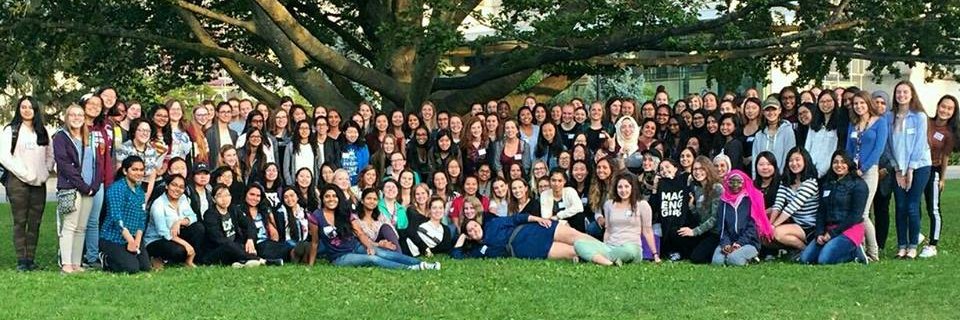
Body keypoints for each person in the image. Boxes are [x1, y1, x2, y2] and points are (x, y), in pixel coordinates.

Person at [306, 185, 440, 270]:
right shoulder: (316, 216)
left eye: (334, 196)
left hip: (356, 246)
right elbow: (315, 243)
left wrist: (369, 246)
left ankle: (422, 264)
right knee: (372, 259)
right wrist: (310, 266)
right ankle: (409, 268)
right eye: (327, 196)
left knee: (383, 253)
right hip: (340, 257)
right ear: (322, 199)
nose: (331, 199)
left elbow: (359, 233)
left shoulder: (344, 212)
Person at [0, 96, 54, 271]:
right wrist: (24, 174)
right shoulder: (11, 130)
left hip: (39, 183)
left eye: (30, 107)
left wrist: (45, 172)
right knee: (20, 221)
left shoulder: (43, 131)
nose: (27, 110)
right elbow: (4, 157)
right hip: (18, 182)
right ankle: (22, 260)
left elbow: (50, 155)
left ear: (36, 110)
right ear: (18, 109)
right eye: (23, 107)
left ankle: (31, 258)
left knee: (35, 222)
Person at [452, 212, 617, 266]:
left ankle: (613, 251)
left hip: (532, 230)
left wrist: (538, 219)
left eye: (475, 226)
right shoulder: (477, 251)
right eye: (470, 231)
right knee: (573, 251)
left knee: (576, 235)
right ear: (469, 236)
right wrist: (462, 237)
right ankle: (610, 261)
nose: (474, 230)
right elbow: (457, 256)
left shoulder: (493, 224)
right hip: (527, 248)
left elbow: (517, 218)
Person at [800, 151, 868, 265]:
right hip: (829, 229)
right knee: (805, 259)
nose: (839, 165)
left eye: (843, 162)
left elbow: (855, 216)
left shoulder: (859, 185)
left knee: (824, 260)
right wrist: (819, 233)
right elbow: (821, 211)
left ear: (849, 164)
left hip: (849, 230)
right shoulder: (828, 184)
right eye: (835, 162)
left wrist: (832, 233)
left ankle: (855, 253)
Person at [889, 81, 932, 259]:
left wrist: (910, 170)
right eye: (898, 92)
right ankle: (902, 246)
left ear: (912, 94)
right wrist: (897, 169)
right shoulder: (889, 117)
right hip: (898, 168)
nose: (901, 95)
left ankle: (913, 246)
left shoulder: (919, 116)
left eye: (905, 92)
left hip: (919, 166)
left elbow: (920, 144)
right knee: (900, 206)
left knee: (912, 206)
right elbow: (888, 145)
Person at [54, 104, 98, 273]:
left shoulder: (89, 138)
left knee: (81, 227)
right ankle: (66, 264)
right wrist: (83, 186)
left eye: (80, 115)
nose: (76, 118)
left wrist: (94, 185)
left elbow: (96, 163)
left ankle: (76, 263)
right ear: (67, 117)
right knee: (70, 225)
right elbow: (64, 164)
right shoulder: (61, 137)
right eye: (72, 115)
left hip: (89, 188)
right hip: (71, 188)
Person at [846, 91, 888, 261]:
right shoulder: (853, 124)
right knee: (854, 211)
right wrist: (849, 168)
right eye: (856, 104)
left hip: (869, 171)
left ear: (868, 103)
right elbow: (848, 148)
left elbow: (878, 149)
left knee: (862, 213)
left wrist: (863, 168)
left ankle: (873, 252)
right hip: (853, 172)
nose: (859, 106)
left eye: (862, 103)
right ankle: (860, 248)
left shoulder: (880, 122)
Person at [920, 94, 958, 258]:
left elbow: (945, 157)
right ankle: (916, 234)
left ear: (953, 112)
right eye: (943, 106)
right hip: (918, 167)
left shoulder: (949, 133)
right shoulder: (926, 122)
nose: (945, 110)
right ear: (937, 106)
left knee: (933, 208)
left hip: (933, 171)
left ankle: (932, 245)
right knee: (911, 204)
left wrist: (942, 179)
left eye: (950, 109)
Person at [100, 156, 151, 274]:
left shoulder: (140, 191)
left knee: (145, 267)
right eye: (134, 169)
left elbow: (142, 217)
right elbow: (116, 217)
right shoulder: (116, 188)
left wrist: (137, 240)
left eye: (141, 170)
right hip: (113, 237)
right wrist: (130, 240)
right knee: (132, 268)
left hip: (133, 236)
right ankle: (105, 259)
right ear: (125, 171)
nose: (139, 173)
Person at [713, 170, 773, 266]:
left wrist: (740, 243)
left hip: (749, 242)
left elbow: (753, 227)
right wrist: (726, 244)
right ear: (727, 183)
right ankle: (732, 255)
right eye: (731, 182)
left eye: (739, 182)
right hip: (729, 241)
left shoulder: (751, 199)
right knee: (717, 262)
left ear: (744, 183)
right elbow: (722, 227)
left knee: (734, 260)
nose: (735, 185)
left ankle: (752, 257)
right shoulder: (723, 201)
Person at [145, 174, 205, 268]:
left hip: (176, 235)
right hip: (157, 240)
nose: (177, 189)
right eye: (174, 185)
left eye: (181, 187)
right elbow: (163, 232)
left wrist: (180, 222)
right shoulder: (158, 204)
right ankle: (156, 257)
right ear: (167, 186)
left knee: (198, 228)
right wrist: (186, 244)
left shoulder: (183, 198)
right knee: (179, 251)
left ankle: (189, 260)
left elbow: (193, 216)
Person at [767, 147, 819, 252]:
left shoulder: (811, 182)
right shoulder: (786, 180)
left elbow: (791, 208)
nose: (794, 163)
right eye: (791, 160)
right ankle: (788, 250)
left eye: (797, 160)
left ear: (805, 161)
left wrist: (773, 226)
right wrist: (768, 225)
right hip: (794, 222)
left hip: (809, 226)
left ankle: (804, 250)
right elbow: (778, 204)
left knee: (776, 233)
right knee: (763, 228)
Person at [601, 173, 658, 263]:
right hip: (612, 245)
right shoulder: (608, 204)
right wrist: (604, 246)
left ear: (632, 188)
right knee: (583, 243)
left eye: (626, 186)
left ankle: (602, 258)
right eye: (620, 187)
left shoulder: (642, 205)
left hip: (632, 246)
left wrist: (655, 254)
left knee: (628, 251)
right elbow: (608, 230)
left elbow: (647, 231)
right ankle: (611, 258)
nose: (623, 190)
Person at [682, 157, 724, 264]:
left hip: (716, 233)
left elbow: (715, 219)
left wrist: (694, 232)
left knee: (696, 258)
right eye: (695, 169)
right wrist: (692, 207)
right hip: (703, 230)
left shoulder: (717, 188)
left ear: (708, 169)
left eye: (701, 168)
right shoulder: (697, 189)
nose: (697, 172)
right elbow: (700, 217)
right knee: (679, 236)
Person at [752, 96, 796, 176]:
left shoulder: (787, 131)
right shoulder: (759, 135)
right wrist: (755, 177)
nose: (771, 113)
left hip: (782, 177)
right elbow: (755, 158)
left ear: (780, 110)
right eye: (767, 110)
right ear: (763, 112)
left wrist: (782, 176)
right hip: (762, 177)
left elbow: (789, 154)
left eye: (774, 109)